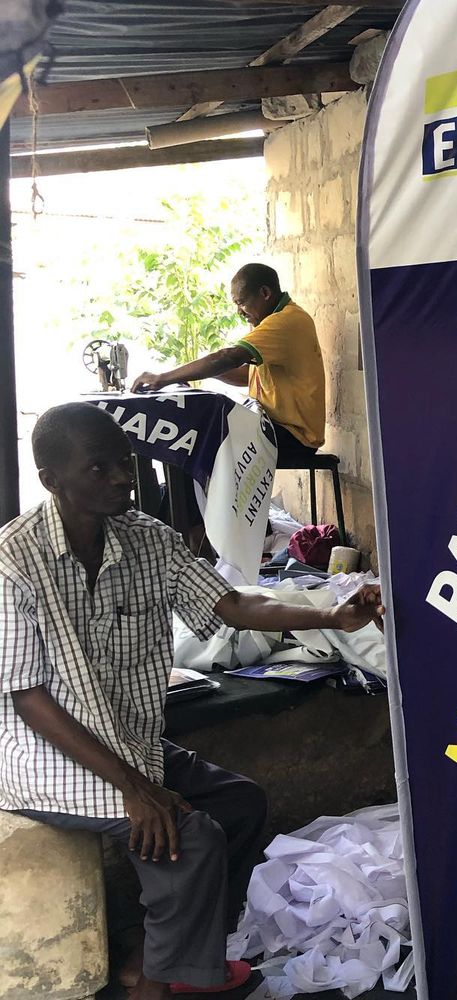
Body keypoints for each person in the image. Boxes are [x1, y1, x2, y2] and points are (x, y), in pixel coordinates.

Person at [0, 403, 383, 1000]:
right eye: (99, 468)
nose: (123, 478)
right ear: (52, 480)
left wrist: (330, 615)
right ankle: (155, 989)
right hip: (50, 755)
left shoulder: (149, 539)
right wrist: (137, 789)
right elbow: (28, 698)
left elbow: (232, 605)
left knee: (241, 803)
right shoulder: (15, 561)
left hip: (130, 740)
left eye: (125, 462)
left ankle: (174, 957)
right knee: (190, 835)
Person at [131, 263, 326, 463]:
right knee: (191, 430)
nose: (239, 312)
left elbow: (228, 357)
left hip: (293, 438)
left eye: (241, 303)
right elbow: (247, 376)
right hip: (272, 428)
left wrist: (164, 378)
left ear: (265, 293)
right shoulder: (274, 320)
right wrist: (186, 374)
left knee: (193, 438)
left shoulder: (286, 321)